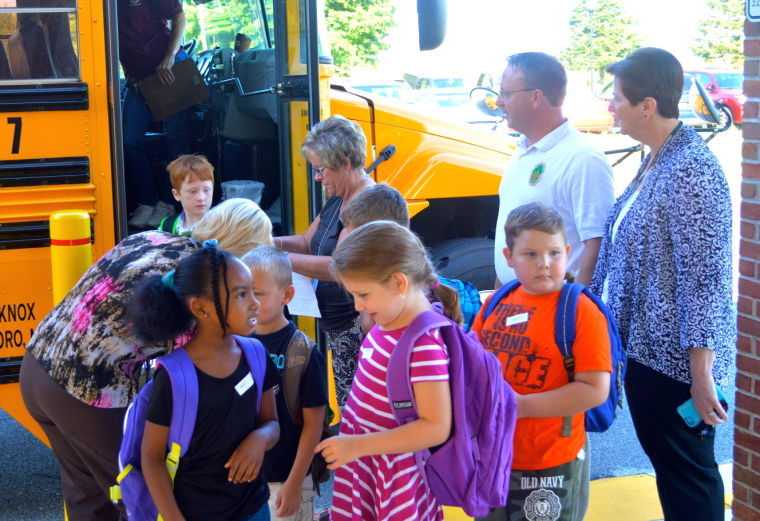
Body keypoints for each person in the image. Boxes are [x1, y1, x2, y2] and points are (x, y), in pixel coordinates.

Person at [19, 198, 272, 521]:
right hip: (85, 392)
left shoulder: (152, 238)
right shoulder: (196, 287)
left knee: (87, 497)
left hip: (37, 366)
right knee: (134, 494)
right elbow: (195, 371)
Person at [591, 48, 734, 521]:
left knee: (689, 475)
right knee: (674, 472)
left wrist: (700, 374)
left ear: (647, 105)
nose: (610, 105)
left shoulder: (691, 169)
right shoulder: (659, 159)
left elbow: (707, 281)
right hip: (649, 354)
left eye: (617, 98)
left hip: (674, 363)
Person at [472, 202, 611, 521]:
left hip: (550, 462)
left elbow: (594, 390)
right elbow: (474, 367)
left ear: (567, 251)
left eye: (553, 253)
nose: (544, 263)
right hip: (493, 457)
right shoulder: (496, 302)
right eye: (530, 254)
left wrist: (518, 406)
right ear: (509, 257)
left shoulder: (580, 311)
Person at [315, 221, 458, 521]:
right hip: (371, 467)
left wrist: (358, 446)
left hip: (395, 481)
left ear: (398, 283)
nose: (358, 305)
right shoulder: (388, 324)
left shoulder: (423, 347)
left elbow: (436, 427)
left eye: (363, 295)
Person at [130, 245, 280, 521]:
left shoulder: (256, 355)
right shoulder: (174, 377)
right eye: (241, 294)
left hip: (254, 509)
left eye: (253, 291)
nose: (254, 304)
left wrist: (260, 438)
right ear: (200, 308)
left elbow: (272, 423)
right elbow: (151, 458)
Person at [274, 115, 375, 409]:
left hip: (358, 327)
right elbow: (307, 242)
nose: (317, 177)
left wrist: (277, 258)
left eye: (321, 169)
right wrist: (264, 241)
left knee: (357, 411)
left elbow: (338, 266)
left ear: (345, 163)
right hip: (339, 325)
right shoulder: (338, 196)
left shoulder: (367, 203)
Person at [493, 52, 614, 287]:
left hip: (556, 312)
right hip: (518, 305)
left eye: (506, 93)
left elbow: (598, 245)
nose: (499, 102)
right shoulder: (523, 150)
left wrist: (573, 311)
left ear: (536, 97)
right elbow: (507, 239)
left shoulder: (583, 159)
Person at [242, 246, 328, 521]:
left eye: (259, 293)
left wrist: (294, 484)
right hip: (243, 481)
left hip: (287, 479)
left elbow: (314, 424)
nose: (250, 302)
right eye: (241, 293)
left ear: (287, 295)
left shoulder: (302, 351)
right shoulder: (235, 344)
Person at [340, 183, 481, 332]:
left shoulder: (393, 310)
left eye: (355, 239)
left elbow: (370, 328)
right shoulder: (450, 291)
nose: (348, 244)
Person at [119, 0, 192, 229]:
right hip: (138, 79)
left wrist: (169, 57)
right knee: (129, 141)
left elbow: (180, 17)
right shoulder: (110, 5)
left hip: (167, 71)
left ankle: (172, 203)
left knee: (175, 139)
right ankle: (147, 201)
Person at [158, 154, 214, 236]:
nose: (201, 198)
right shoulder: (167, 225)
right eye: (193, 191)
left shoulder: (224, 226)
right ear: (177, 194)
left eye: (206, 190)